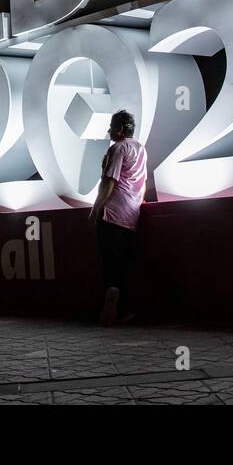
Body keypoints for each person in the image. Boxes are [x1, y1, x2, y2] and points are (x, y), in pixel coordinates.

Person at [87, 110, 149, 326]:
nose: (108, 131)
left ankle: (111, 298)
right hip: (132, 213)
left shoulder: (117, 148)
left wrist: (95, 210)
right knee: (123, 263)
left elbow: (108, 182)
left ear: (121, 129)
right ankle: (124, 310)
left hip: (112, 212)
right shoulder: (141, 149)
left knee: (109, 264)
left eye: (112, 126)